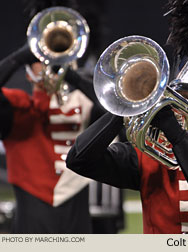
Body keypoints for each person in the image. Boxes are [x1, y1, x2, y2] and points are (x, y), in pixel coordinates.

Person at [66, 0, 188, 234]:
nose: (184, 103)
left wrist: (177, 134)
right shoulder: (147, 156)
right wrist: (125, 107)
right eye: (181, 95)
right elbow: (79, 160)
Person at [0, 0, 106, 232]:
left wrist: (72, 77)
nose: (47, 62)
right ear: (28, 72)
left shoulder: (84, 104)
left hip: (78, 220)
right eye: (39, 59)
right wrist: (20, 57)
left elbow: (116, 109)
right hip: (31, 223)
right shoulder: (17, 106)